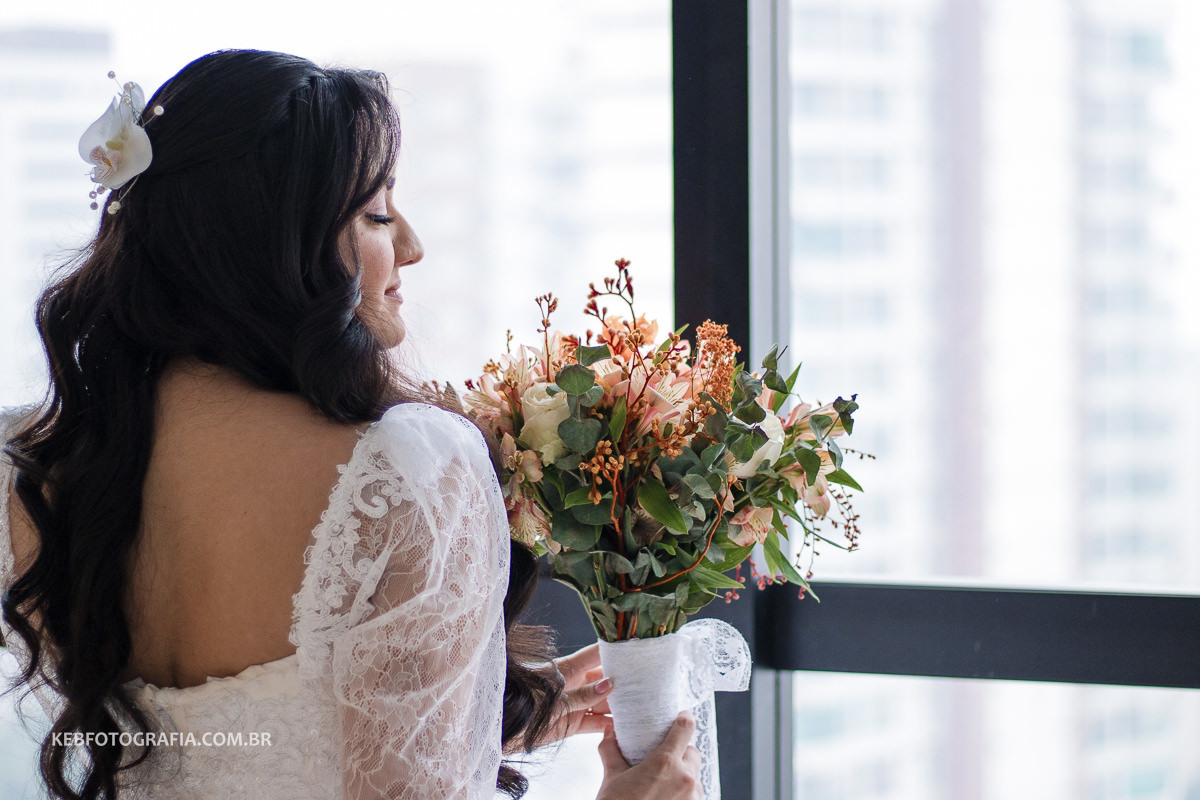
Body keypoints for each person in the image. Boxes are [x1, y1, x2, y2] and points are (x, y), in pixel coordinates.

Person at [0, 49, 700, 799]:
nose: (411, 246)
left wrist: (463, 717)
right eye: (376, 213)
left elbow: (222, 749)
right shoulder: (408, 466)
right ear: (274, 240)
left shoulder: (30, 467)